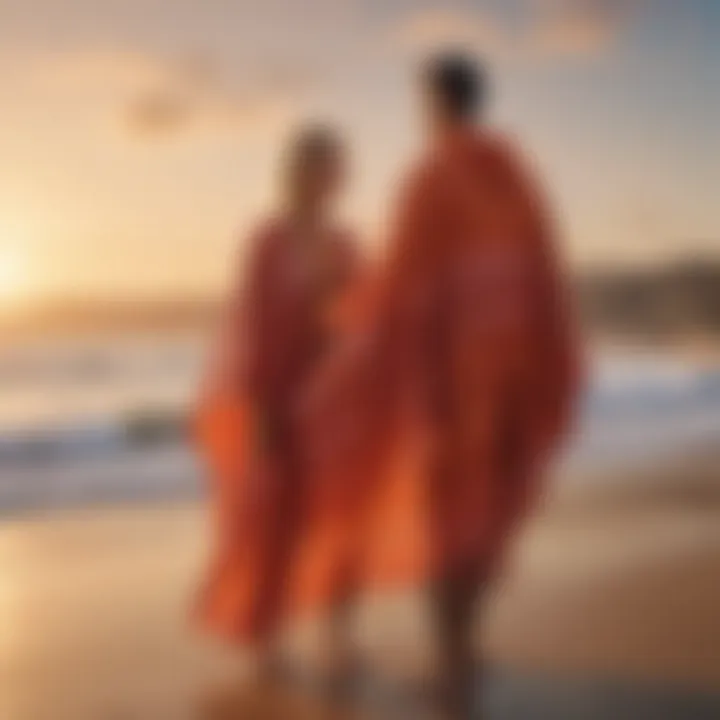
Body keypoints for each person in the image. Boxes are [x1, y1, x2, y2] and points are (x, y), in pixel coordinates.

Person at [294, 53, 581, 718]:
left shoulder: (430, 178)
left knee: (448, 518)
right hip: (510, 374)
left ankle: (452, 664)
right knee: (483, 513)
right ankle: (466, 649)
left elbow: (401, 286)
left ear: (435, 102)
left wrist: (343, 324)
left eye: (421, 100)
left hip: (450, 388)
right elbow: (542, 273)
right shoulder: (516, 176)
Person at [194, 125, 359, 678]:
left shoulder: (346, 242)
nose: (331, 179)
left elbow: (363, 318)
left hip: (334, 406)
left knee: (340, 521)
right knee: (273, 524)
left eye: (335, 168)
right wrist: (259, 414)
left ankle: (338, 641)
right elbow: (252, 330)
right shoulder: (267, 241)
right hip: (278, 406)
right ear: (297, 173)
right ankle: (268, 643)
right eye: (321, 166)